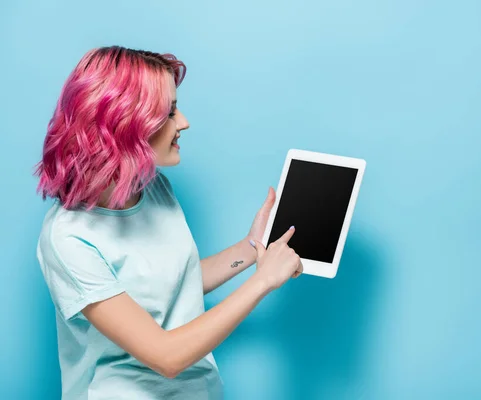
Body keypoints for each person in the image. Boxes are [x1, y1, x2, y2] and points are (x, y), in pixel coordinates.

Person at [34, 46, 303, 400]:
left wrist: (252, 248)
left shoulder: (153, 186)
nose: (184, 122)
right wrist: (263, 283)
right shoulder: (68, 239)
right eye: (169, 112)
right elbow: (166, 356)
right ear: (123, 123)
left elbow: (175, 283)